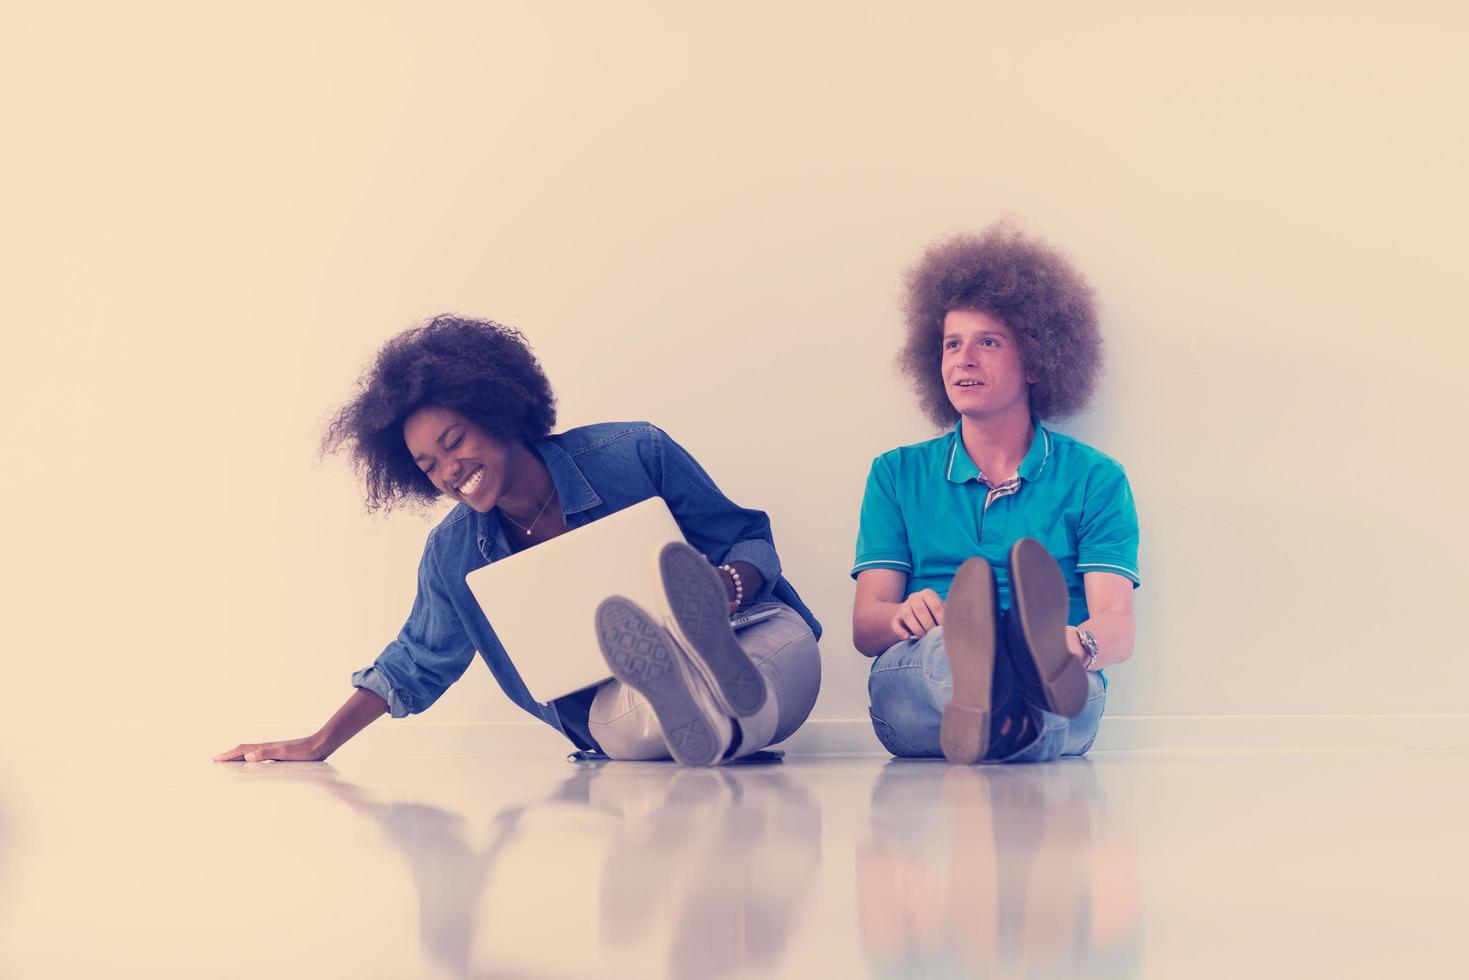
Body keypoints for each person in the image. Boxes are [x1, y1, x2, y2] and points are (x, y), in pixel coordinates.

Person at [215, 316, 821, 767]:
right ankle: (715, 707)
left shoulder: (634, 453)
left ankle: (710, 687)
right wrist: (320, 742)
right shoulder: (454, 554)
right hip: (617, 698)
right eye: (429, 465)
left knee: (785, 653)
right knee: (633, 721)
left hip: (748, 632)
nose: (449, 470)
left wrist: (727, 588)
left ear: (498, 412)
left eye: (454, 442)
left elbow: (745, 538)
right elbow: (416, 659)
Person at [851, 223, 1139, 764]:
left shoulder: (1095, 479)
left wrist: (1072, 645)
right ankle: (1006, 692)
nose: (964, 359)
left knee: (1057, 688)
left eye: (988, 342)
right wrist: (900, 617)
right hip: (922, 683)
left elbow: (1117, 626)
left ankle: (1009, 703)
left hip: (1060, 668)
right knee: (947, 651)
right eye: (952, 344)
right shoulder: (896, 474)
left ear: (1036, 360)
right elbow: (866, 627)